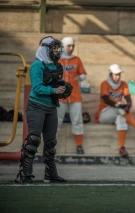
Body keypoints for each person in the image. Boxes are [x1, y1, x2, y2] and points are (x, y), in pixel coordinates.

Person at [16, 36, 72, 183]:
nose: (57, 51)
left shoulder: (57, 66)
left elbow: (56, 83)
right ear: (45, 49)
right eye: (53, 48)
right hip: (36, 106)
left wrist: (64, 89)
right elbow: (37, 88)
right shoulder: (37, 65)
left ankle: (50, 174)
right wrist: (55, 91)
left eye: (58, 48)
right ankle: (26, 174)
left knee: (51, 143)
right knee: (33, 140)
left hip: (51, 107)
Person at [95, 64, 135, 157]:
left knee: (122, 120)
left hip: (117, 112)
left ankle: (121, 148)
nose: (117, 77)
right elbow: (105, 99)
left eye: (119, 74)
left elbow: (128, 97)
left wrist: (128, 105)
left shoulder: (123, 84)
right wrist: (119, 105)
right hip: (104, 114)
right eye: (115, 74)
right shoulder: (104, 84)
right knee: (120, 107)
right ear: (110, 74)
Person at [57, 37, 87, 154]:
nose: (71, 48)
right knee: (56, 121)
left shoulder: (77, 60)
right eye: (69, 46)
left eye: (72, 46)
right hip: (60, 94)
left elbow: (83, 73)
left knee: (77, 120)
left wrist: (80, 77)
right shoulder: (56, 59)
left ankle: (79, 145)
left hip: (75, 94)